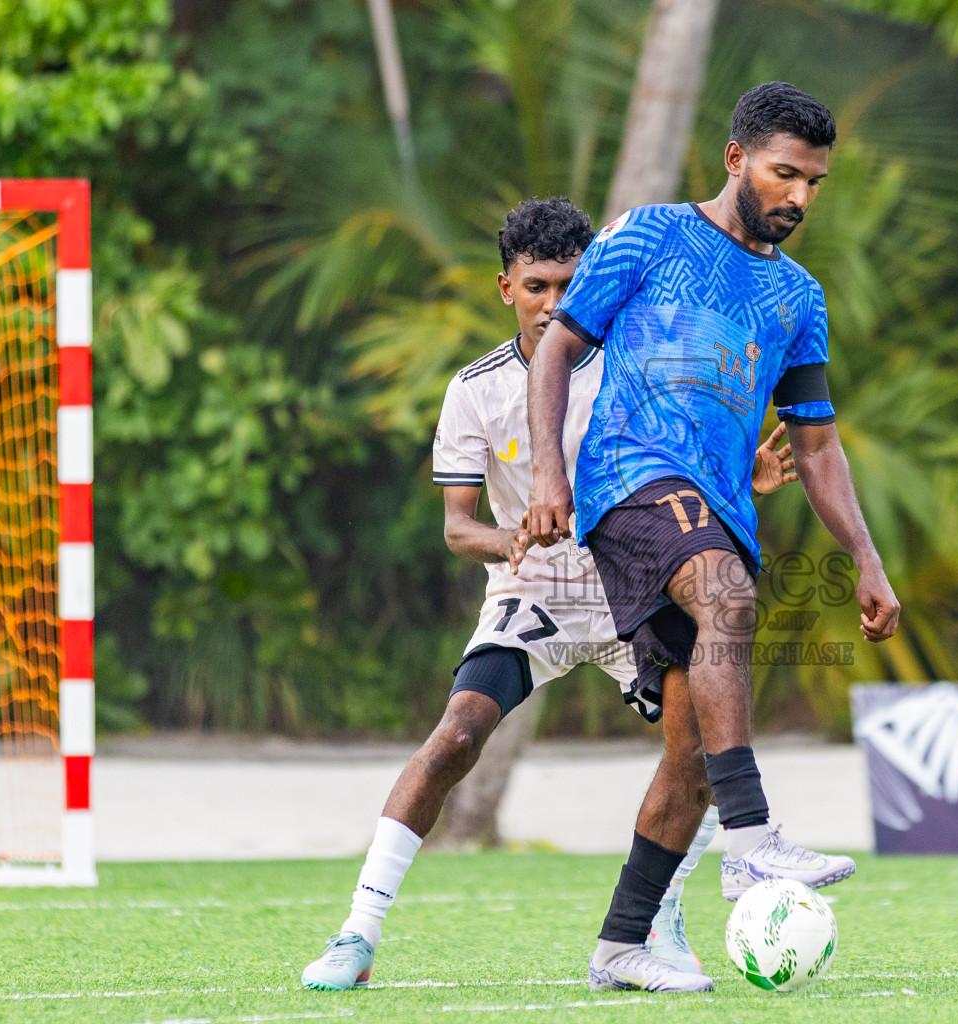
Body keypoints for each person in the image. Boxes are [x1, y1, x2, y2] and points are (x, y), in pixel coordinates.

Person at [300, 196, 803, 993]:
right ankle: (357, 933)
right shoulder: (474, 389)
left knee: (702, 750)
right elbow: (457, 529)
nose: (553, 302)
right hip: (533, 593)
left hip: (632, 590)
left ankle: (656, 920)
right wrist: (513, 538)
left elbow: (683, 472)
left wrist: (746, 477)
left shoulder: (635, 368)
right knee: (456, 737)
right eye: (536, 285)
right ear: (507, 287)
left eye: (570, 284)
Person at [525, 82, 901, 992]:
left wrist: (866, 559)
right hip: (630, 478)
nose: (799, 196)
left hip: (721, 512)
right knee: (726, 595)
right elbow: (557, 348)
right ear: (736, 159)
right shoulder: (648, 235)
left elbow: (817, 445)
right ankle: (752, 838)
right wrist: (547, 475)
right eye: (784, 174)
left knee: (691, 756)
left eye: (813, 182)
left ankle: (621, 944)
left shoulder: (799, 297)